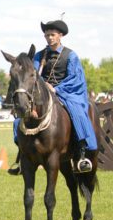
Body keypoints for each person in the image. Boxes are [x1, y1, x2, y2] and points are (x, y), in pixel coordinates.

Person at [8, 20, 97, 175]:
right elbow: (32, 76)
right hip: (41, 94)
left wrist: (56, 88)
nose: (49, 38)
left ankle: (82, 153)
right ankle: (22, 156)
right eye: (47, 35)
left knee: (77, 113)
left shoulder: (70, 56)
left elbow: (75, 79)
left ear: (60, 36)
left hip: (67, 92)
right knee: (18, 120)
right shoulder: (39, 56)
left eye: (52, 35)